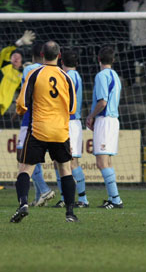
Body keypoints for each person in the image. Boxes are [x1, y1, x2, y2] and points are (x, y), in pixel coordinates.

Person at [10, 41, 78, 223]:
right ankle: (70, 213)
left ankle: (23, 203)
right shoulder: (66, 77)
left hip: (39, 129)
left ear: (42, 54)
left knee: (25, 168)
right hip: (60, 131)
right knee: (65, 169)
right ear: (59, 55)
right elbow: (72, 108)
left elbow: (22, 104)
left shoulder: (34, 74)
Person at [16, 42, 55, 207]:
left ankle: (45, 190)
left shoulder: (29, 69)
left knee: (22, 156)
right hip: (50, 120)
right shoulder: (54, 71)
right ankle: (40, 196)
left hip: (30, 119)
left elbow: (26, 93)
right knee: (35, 158)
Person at [86, 46, 123, 209]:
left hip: (105, 119)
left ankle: (116, 199)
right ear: (113, 60)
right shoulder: (115, 75)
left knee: (101, 162)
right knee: (107, 161)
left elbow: (103, 102)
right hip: (113, 120)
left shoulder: (101, 76)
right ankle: (112, 198)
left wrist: (91, 115)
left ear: (98, 59)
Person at [53, 49, 89, 208]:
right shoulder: (75, 76)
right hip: (69, 122)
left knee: (71, 161)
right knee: (59, 161)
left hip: (70, 122)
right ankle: (65, 198)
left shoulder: (68, 77)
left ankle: (82, 199)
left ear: (61, 62)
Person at [0, 30, 35, 134]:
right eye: (14, 56)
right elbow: (5, 52)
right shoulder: (4, 65)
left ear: (21, 62)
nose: (16, 58)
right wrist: (20, 42)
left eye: (19, 57)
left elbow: (24, 91)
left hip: (0, 108)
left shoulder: (20, 76)